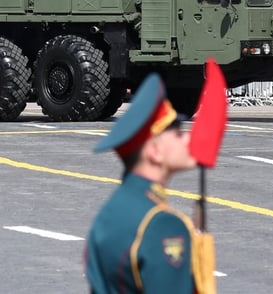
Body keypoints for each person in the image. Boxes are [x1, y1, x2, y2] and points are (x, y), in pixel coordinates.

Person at [85, 75, 199, 293]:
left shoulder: (111, 212)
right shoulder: (163, 225)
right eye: (176, 133)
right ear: (154, 151)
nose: (186, 139)